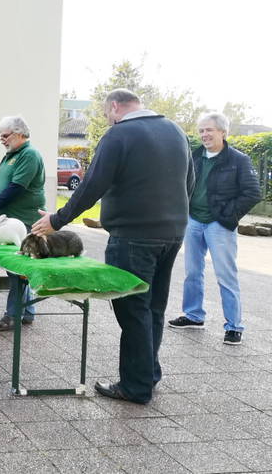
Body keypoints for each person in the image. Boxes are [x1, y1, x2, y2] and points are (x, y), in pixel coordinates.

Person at [32, 89, 194, 404]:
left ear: (115, 106)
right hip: (173, 233)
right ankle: (148, 374)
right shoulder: (175, 131)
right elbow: (190, 182)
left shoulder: (119, 134)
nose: (108, 119)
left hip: (133, 237)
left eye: (107, 113)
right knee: (154, 307)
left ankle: (135, 387)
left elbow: (92, 184)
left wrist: (58, 219)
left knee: (132, 308)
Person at [168, 112, 261, 345]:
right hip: (193, 221)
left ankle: (234, 326)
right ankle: (194, 315)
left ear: (223, 132)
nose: (204, 134)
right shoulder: (194, 156)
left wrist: (228, 215)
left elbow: (253, 192)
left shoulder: (238, 160)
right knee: (192, 272)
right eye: (201, 130)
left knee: (225, 276)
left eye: (209, 130)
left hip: (219, 224)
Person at [0, 115, 46, 332]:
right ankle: (28, 312)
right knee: (18, 270)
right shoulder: (10, 156)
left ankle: (12, 316)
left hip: (24, 221)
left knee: (17, 270)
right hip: (10, 220)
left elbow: (16, 188)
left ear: (19, 133)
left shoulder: (29, 154)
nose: (2, 140)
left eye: (5, 136)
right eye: (1, 136)